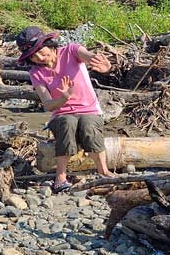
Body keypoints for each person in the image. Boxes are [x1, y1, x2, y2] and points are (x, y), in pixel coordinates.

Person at [17, 26, 116, 193]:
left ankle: (103, 171)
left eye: (41, 51)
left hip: (89, 109)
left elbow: (89, 56)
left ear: (49, 43)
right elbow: (48, 105)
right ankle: (61, 176)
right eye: (34, 56)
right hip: (61, 113)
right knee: (67, 122)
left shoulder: (71, 51)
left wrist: (104, 65)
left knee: (89, 126)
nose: (40, 57)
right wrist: (64, 98)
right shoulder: (36, 73)